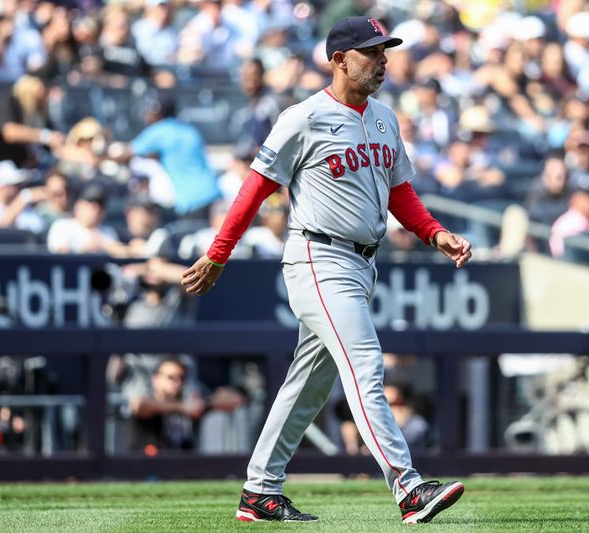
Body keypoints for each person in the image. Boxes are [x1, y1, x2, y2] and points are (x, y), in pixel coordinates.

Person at [180, 17, 469, 524]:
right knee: (365, 366)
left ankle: (259, 491)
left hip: (363, 263)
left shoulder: (384, 117)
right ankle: (408, 488)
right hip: (318, 255)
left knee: (310, 382)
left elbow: (400, 191)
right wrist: (219, 252)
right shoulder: (303, 117)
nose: (383, 60)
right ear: (339, 60)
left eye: (385, 51)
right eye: (372, 52)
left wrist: (433, 232)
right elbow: (255, 189)